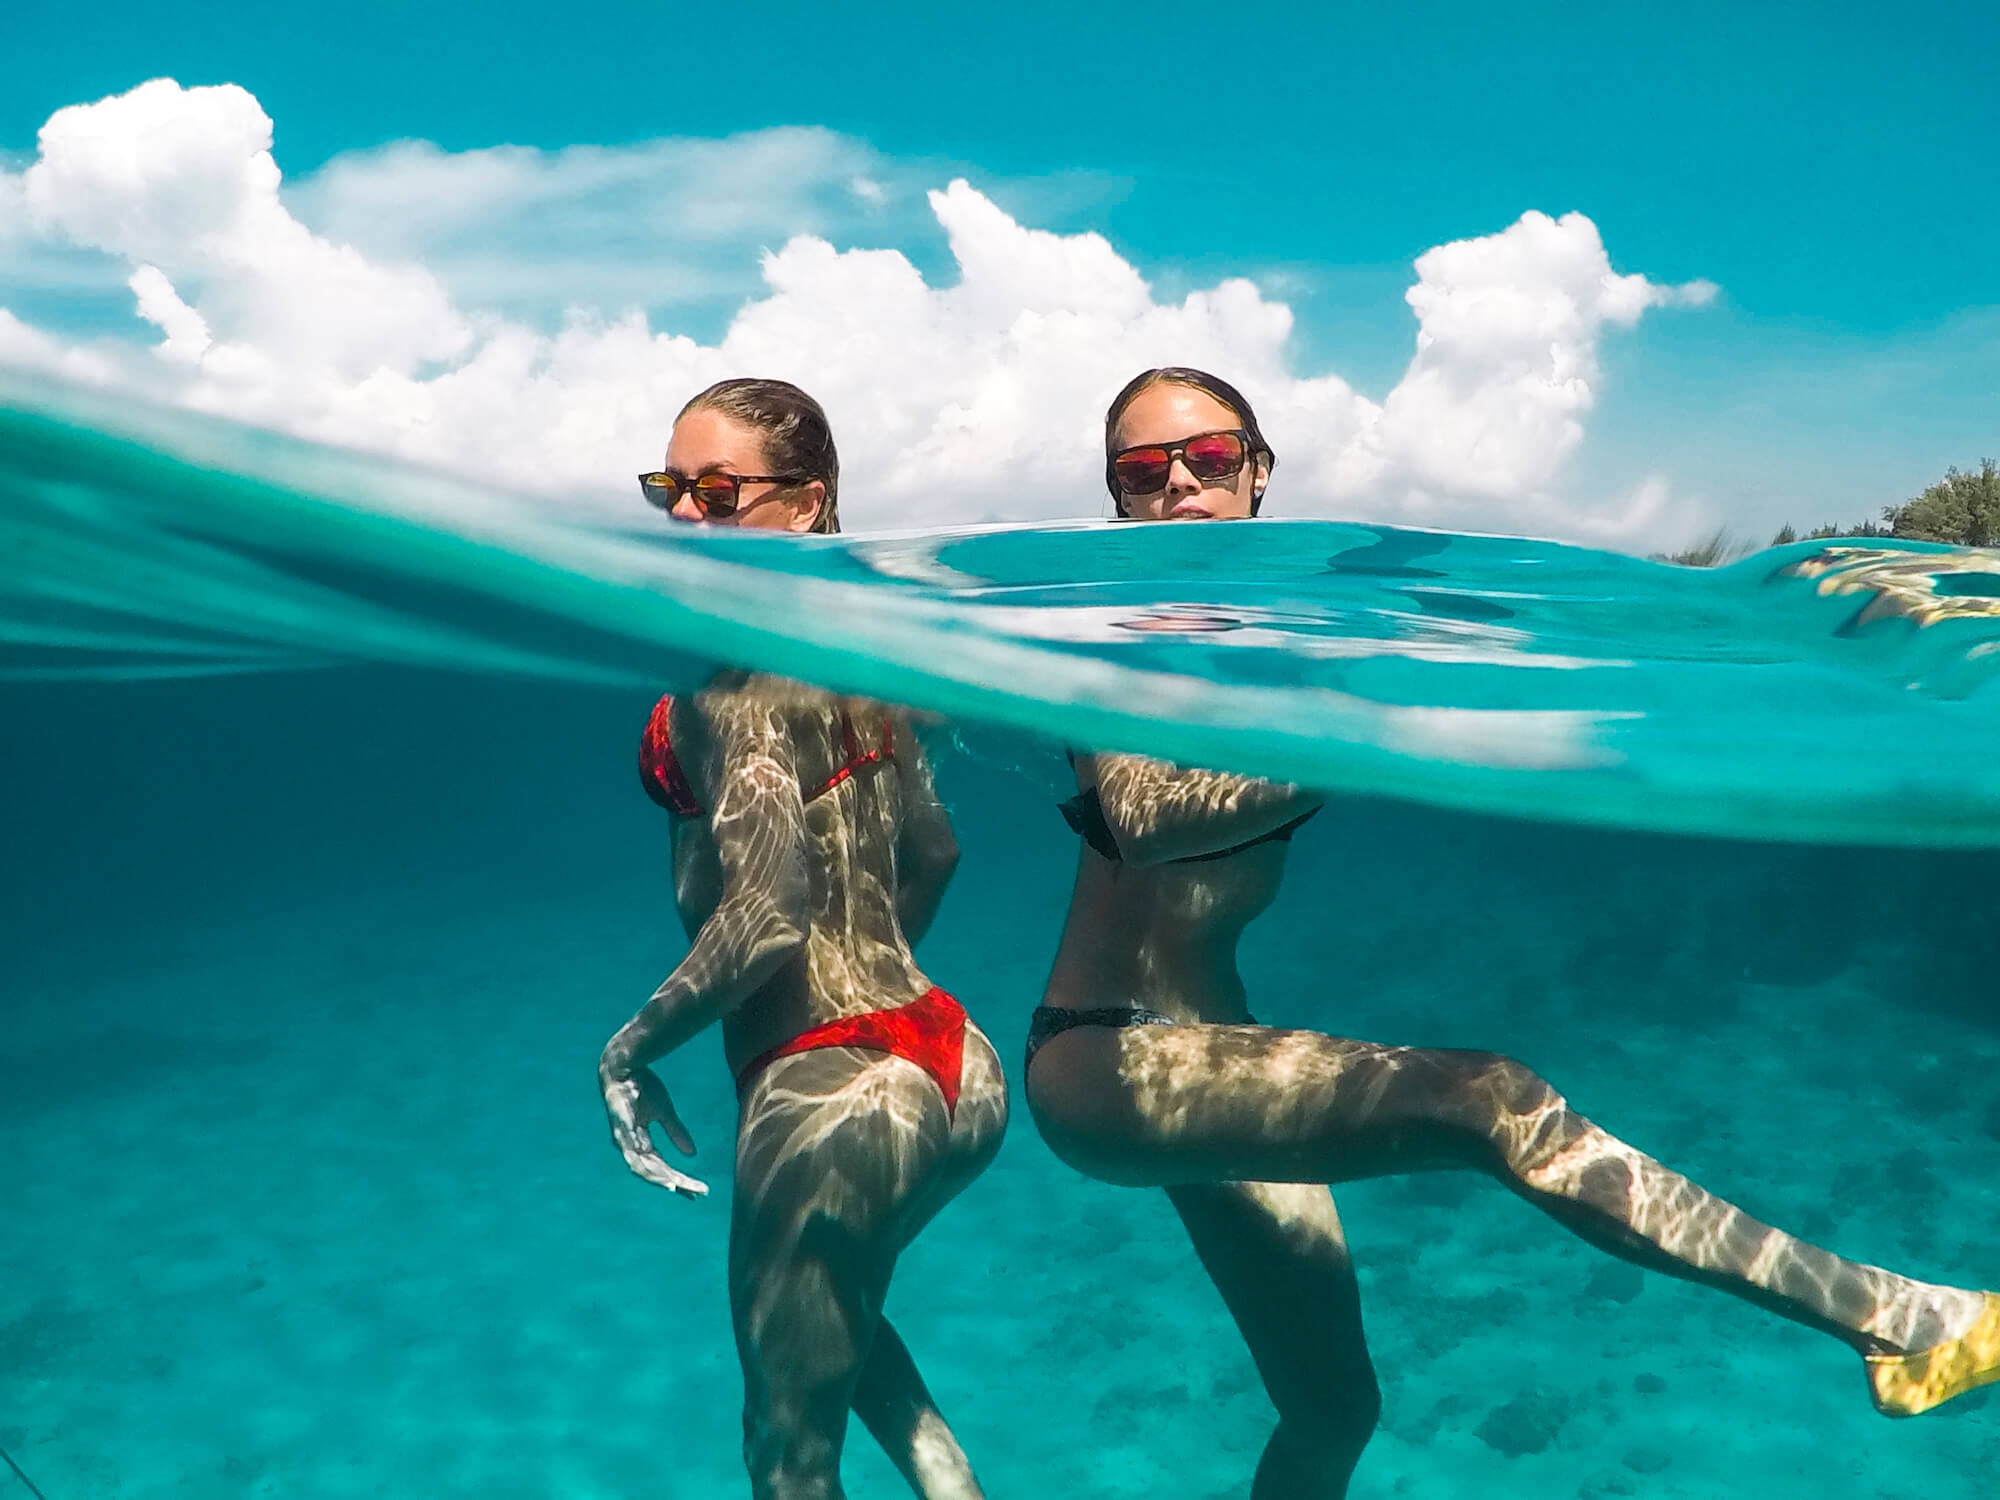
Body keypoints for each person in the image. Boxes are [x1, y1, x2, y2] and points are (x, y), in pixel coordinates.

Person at [1024, 366, 2000, 1497]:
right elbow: (1145, 821)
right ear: (1114, 499)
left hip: (1212, 1044)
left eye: (1207, 457)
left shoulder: (1289, 631)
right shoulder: (1106, 630)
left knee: (1334, 1408)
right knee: (1492, 1098)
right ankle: (1896, 1322)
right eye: (1143, 472)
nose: (1179, 489)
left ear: (1257, 469)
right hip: (1103, 1053)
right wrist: (1371, 723)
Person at [599, 378, 1008, 1500]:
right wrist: (876, 1002)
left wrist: (628, 1052)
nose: (685, 515)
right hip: (952, 1064)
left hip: (821, 1088)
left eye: (719, 491)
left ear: (803, 506)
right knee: (845, 1330)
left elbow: (767, 913)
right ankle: (948, 1481)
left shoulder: (735, 688)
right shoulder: (860, 664)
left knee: (783, 1454)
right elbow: (936, 854)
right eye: (668, 488)